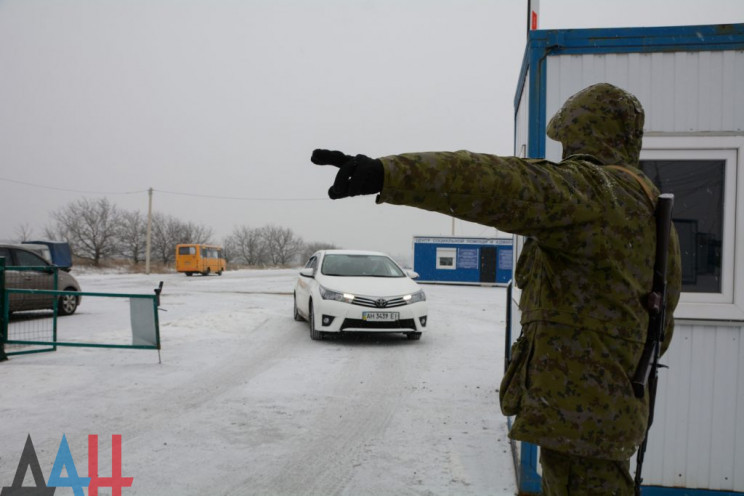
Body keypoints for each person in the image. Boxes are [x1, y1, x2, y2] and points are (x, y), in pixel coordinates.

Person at [311, 82, 682, 495]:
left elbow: (497, 184)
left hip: (583, 425)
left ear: (586, 138)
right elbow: (660, 327)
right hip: (604, 417)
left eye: (568, 142)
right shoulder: (646, 207)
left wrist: (388, 174)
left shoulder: (597, 194)